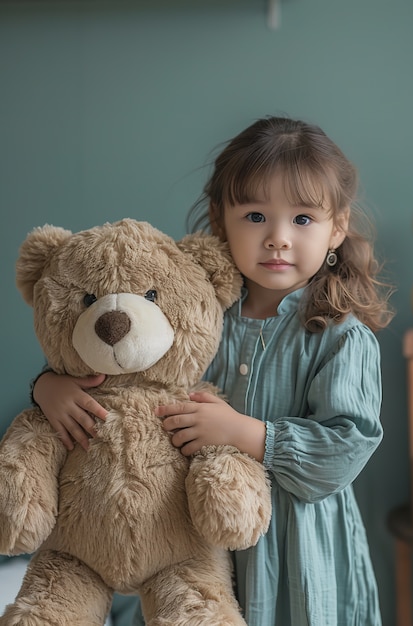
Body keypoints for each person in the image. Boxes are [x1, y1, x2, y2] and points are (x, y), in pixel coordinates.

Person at [32, 116, 394, 626]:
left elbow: (344, 450)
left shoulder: (340, 336)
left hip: (294, 552)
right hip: (189, 544)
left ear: (337, 227)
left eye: (303, 219)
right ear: (220, 219)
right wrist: (48, 386)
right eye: (255, 216)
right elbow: (116, 365)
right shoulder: (189, 314)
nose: (278, 238)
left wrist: (244, 434)